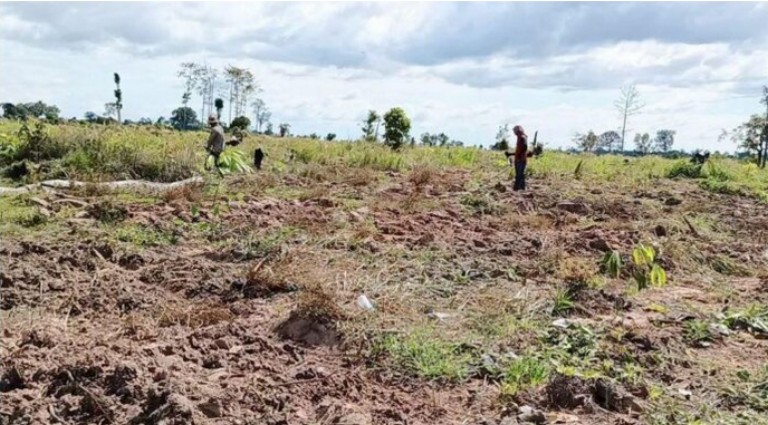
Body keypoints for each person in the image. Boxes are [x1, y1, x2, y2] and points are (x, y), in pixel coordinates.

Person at [512, 125, 528, 191]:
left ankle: (517, 189)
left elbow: (525, 146)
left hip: (521, 160)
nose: (514, 133)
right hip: (519, 159)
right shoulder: (520, 137)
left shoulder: (522, 137)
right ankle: (521, 188)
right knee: (519, 174)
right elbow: (520, 149)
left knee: (519, 175)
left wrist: (519, 155)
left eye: (515, 131)